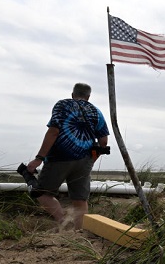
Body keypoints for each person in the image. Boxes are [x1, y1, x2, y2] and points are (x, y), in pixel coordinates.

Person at [26, 83, 110, 229]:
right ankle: (79, 234)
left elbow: (53, 131)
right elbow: (103, 141)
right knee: (80, 199)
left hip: (59, 157)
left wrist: (39, 158)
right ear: (88, 97)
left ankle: (64, 223)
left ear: (72, 94)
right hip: (85, 160)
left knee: (42, 193)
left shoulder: (63, 105)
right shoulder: (96, 111)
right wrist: (91, 160)